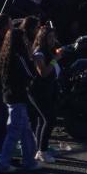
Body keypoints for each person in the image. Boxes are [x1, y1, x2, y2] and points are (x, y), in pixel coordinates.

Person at [0, 21, 40, 173]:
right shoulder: (19, 56)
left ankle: (29, 160)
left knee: (24, 130)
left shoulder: (5, 55)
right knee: (15, 131)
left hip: (9, 95)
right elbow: (30, 74)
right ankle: (4, 162)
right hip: (18, 95)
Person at [29, 23, 59, 164]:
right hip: (38, 91)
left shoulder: (47, 50)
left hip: (47, 90)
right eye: (50, 38)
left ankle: (40, 148)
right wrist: (55, 60)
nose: (53, 40)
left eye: (53, 37)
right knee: (49, 119)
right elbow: (43, 73)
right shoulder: (39, 52)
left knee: (42, 120)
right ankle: (42, 150)